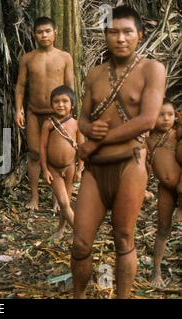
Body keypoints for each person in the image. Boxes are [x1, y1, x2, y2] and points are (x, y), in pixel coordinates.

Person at [71, 5, 166, 298]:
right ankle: (78, 295)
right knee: (80, 244)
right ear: (105, 35)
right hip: (95, 171)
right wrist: (88, 130)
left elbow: (147, 120)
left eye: (127, 32)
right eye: (113, 32)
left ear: (139, 35)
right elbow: (83, 118)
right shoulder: (95, 74)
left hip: (130, 165)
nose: (120, 38)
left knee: (123, 238)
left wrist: (99, 140)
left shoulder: (152, 69)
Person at [14, 16, 74, 211]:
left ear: (55, 32)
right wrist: (18, 109)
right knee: (34, 154)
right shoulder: (28, 58)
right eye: (40, 32)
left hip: (58, 115)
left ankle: (58, 197)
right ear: (34, 35)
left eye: (47, 31)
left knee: (57, 157)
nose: (44, 35)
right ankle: (34, 197)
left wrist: (70, 115)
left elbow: (70, 87)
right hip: (34, 112)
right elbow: (21, 86)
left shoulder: (65, 57)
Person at [40, 86, 84, 240]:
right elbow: (43, 148)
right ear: (52, 104)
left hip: (70, 168)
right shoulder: (48, 124)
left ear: (72, 104)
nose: (60, 104)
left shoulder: (76, 124)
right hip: (54, 169)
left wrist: (79, 170)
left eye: (65, 101)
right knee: (64, 204)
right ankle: (81, 235)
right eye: (56, 101)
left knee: (67, 204)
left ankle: (60, 230)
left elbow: (81, 148)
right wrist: (45, 170)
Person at [146, 100, 179, 288]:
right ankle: (156, 269)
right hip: (165, 189)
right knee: (163, 229)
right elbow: (144, 166)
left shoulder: (177, 135)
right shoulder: (148, 139)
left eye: (170, 114)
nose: (166, 118)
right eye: (161, 114)